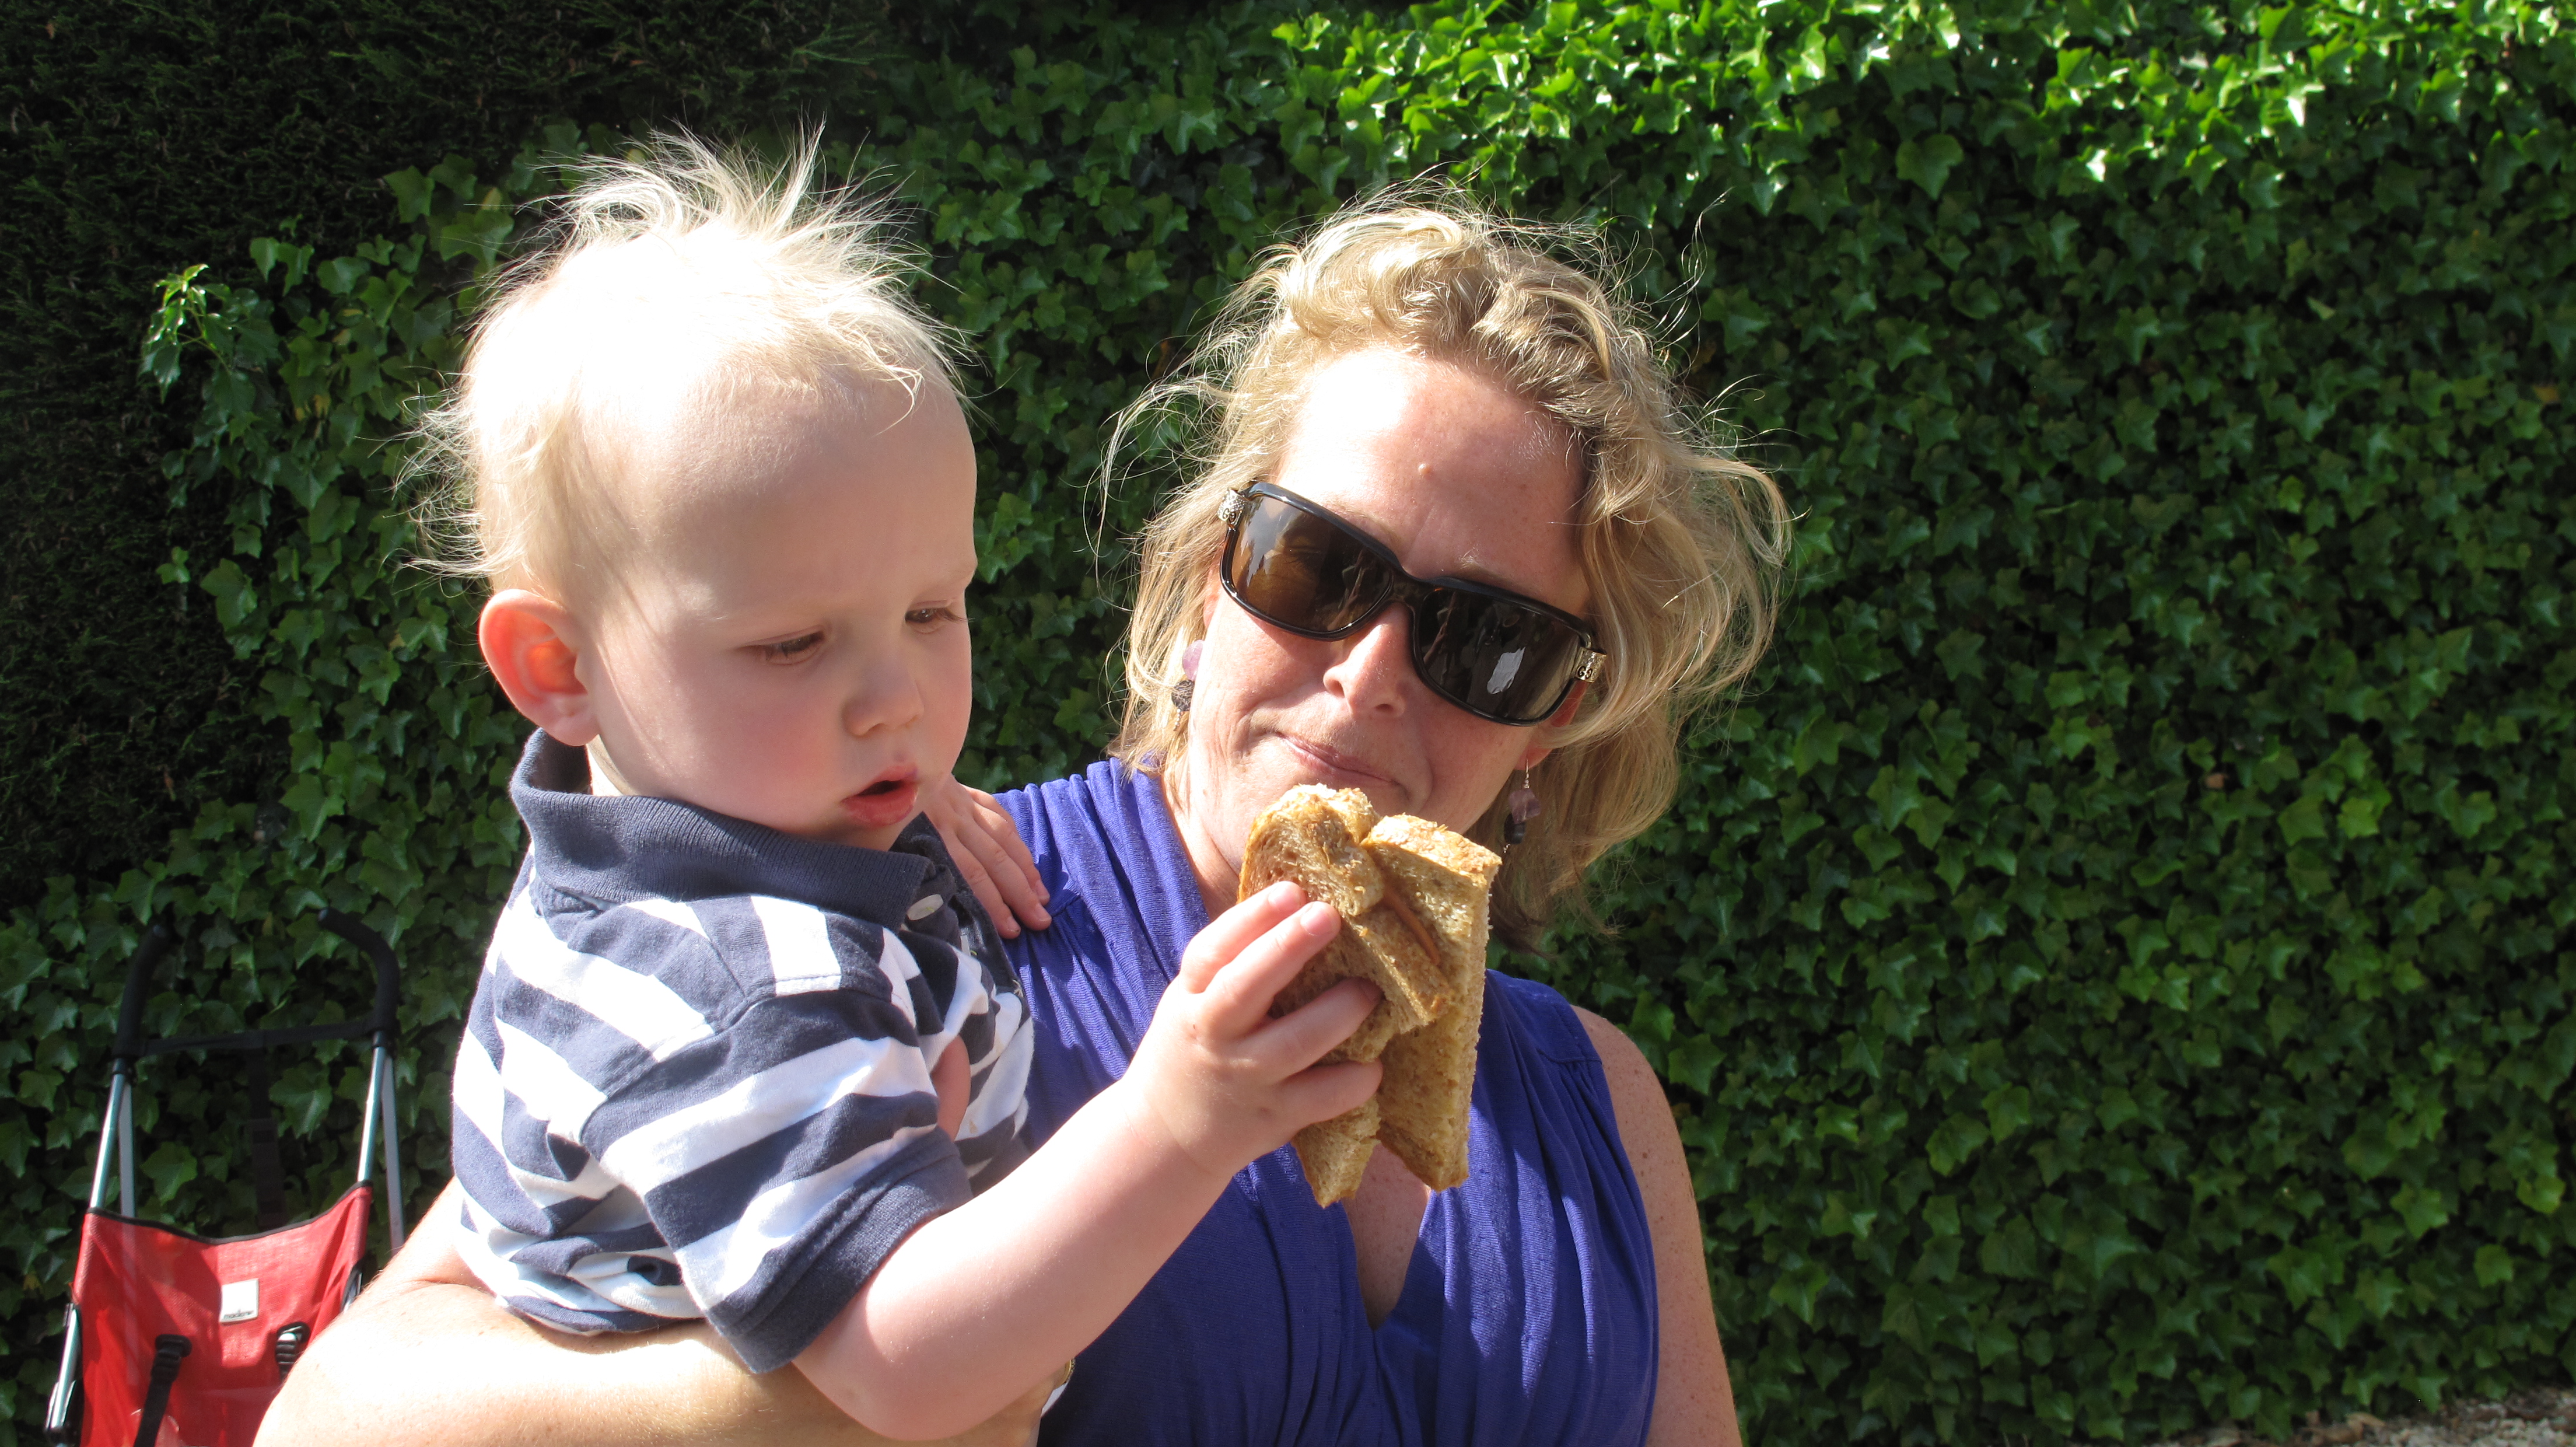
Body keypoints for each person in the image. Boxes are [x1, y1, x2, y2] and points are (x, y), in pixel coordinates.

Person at [261, 195, 1789, 1446]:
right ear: (1205, 582)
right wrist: (782, 1402)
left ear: (1548, 727)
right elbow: (332, 1415)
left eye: (1491, 643)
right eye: (1320, 566)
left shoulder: (1599, 1099)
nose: (1373, 671)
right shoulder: (909, 923)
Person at [416, 135, 1392, 1442]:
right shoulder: (731, 987)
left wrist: (887, 791)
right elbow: (905, 1371)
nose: (897, 703)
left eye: (932, 611)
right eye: (792, 644)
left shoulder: (695, 858)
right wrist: (1180, 1120)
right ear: (561, 668)